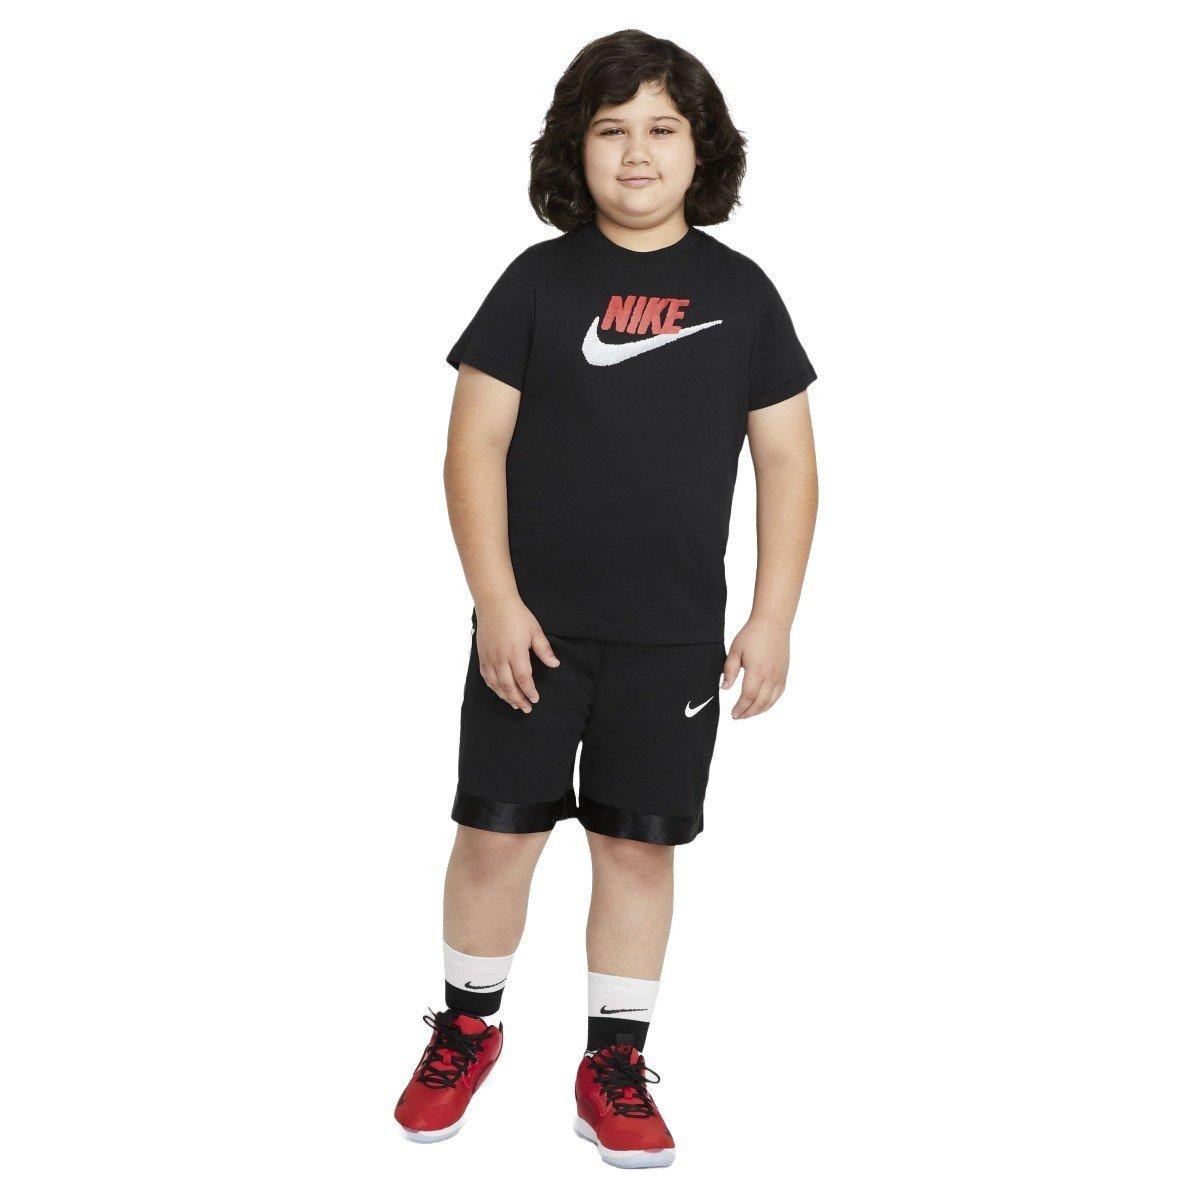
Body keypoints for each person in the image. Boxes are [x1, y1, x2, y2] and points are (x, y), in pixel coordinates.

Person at [394, 29, 819, 1169]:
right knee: (497, 836)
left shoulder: (742, 294)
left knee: (638, 849)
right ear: (573, 150)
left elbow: (788, 462)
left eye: (662, 129)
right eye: (612, 129)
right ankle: (466, 1029)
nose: (637, 153)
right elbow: (472, 448)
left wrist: (772, 615)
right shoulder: (537, 284)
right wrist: (495, 601)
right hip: (531, 634)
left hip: (672, 644)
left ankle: (612, 1064)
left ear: (701, 149)